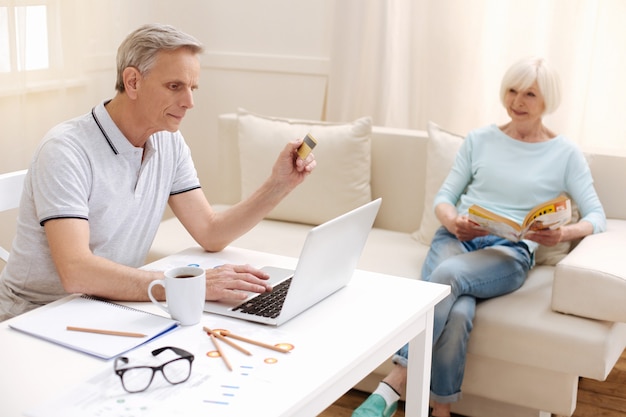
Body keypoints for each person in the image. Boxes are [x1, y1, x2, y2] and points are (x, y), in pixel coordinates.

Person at [0, 23, 316, 322]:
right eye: (175, 86)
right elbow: (76, 272)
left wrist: (278, 185)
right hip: (37, 315)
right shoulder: (65, 150)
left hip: (108, 305)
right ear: (133, 81)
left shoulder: (169, 142)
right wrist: (187, 285)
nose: (190, 102)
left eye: (192, 87)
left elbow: (210, 232)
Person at [353, 56, 606, 417]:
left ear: (547, 100)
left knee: (444, 278)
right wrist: (454, 221)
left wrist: (563, 233)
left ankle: (392, 384)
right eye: (512, 91)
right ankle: (438, 409)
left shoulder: (565, 154)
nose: (517, 102)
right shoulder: (480, 140)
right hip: (457, 238)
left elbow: (597, 217)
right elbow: (445, 198)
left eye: (529, 94)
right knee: (458, 311)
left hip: (510, 252)